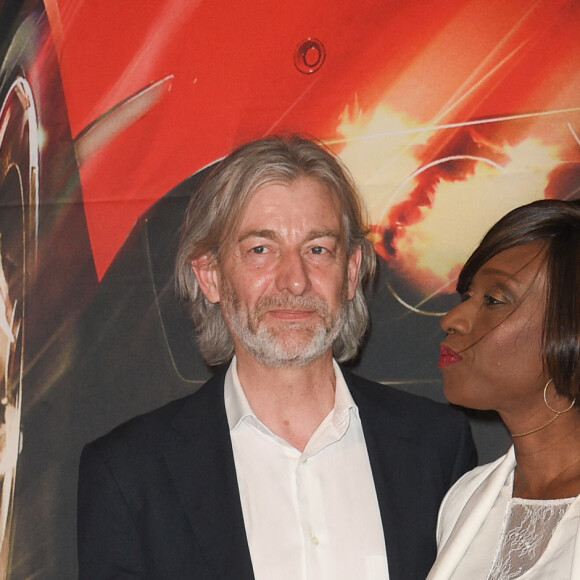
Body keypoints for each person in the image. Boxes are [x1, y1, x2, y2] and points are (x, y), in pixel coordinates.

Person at [77, 134, 476, 580]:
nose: (295, 280)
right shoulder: (129, 473)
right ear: (210, 276)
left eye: (318, 249)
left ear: (351, 273)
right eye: (260, 250)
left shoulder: (437, 448)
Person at [427, 198, 580, 579]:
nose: (452, 319)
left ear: (570, 330)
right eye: (468, 296)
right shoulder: (465, 498)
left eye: (493, 300)